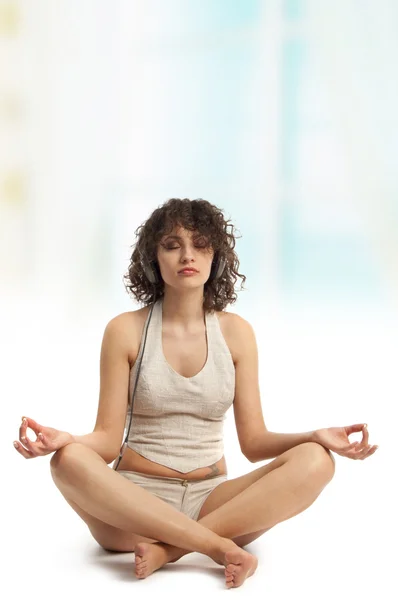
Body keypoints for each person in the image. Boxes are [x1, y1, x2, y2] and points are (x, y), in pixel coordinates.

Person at [13, 198, 378, 589]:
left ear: (215, 255)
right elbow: (104, 442)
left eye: (200, 244)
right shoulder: (125, 330)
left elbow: (254, 443)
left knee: (317, 461)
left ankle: (170, 550)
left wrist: (312, 436)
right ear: (154, 258)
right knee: (67, 461)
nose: (187, 255)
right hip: (133, 506)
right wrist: (68, 440)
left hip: (214, 501)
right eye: (172, 245)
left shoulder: (237, 333)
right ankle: (217, 547)